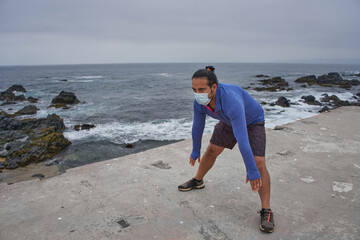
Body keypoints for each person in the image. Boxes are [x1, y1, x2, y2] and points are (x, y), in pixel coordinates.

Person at [178, 66, 274, 233]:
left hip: (252, 121)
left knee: (258, 163)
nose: (197, 93)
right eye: (194, 90)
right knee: (212, 150)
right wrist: (195, 150)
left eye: (202, 89)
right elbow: (198, 125)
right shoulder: (200, 102)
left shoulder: (231, 100)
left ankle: (266, 210)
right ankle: (198, 180)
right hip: (229, 121)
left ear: (214, 87)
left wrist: (251, 170)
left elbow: (242, 139)